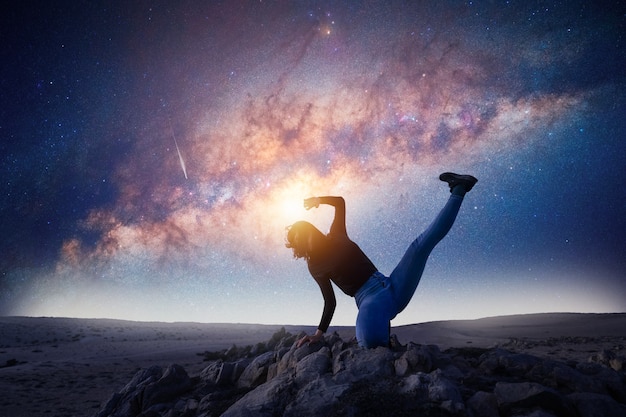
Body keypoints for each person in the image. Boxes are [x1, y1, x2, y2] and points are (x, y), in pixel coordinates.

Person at [285, 172, 477, 349]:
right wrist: (319, 334)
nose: (305, 242)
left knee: (418, 247)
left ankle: (459, 189)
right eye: (299, 242)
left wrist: (318, 200)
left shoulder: (336, 234)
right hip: (369, 300)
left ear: (311, 231)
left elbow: (339, 203)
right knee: (368, 340)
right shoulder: (315, 267)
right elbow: (330, 301)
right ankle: (384, 339)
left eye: (305, 235)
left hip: (392, 284)